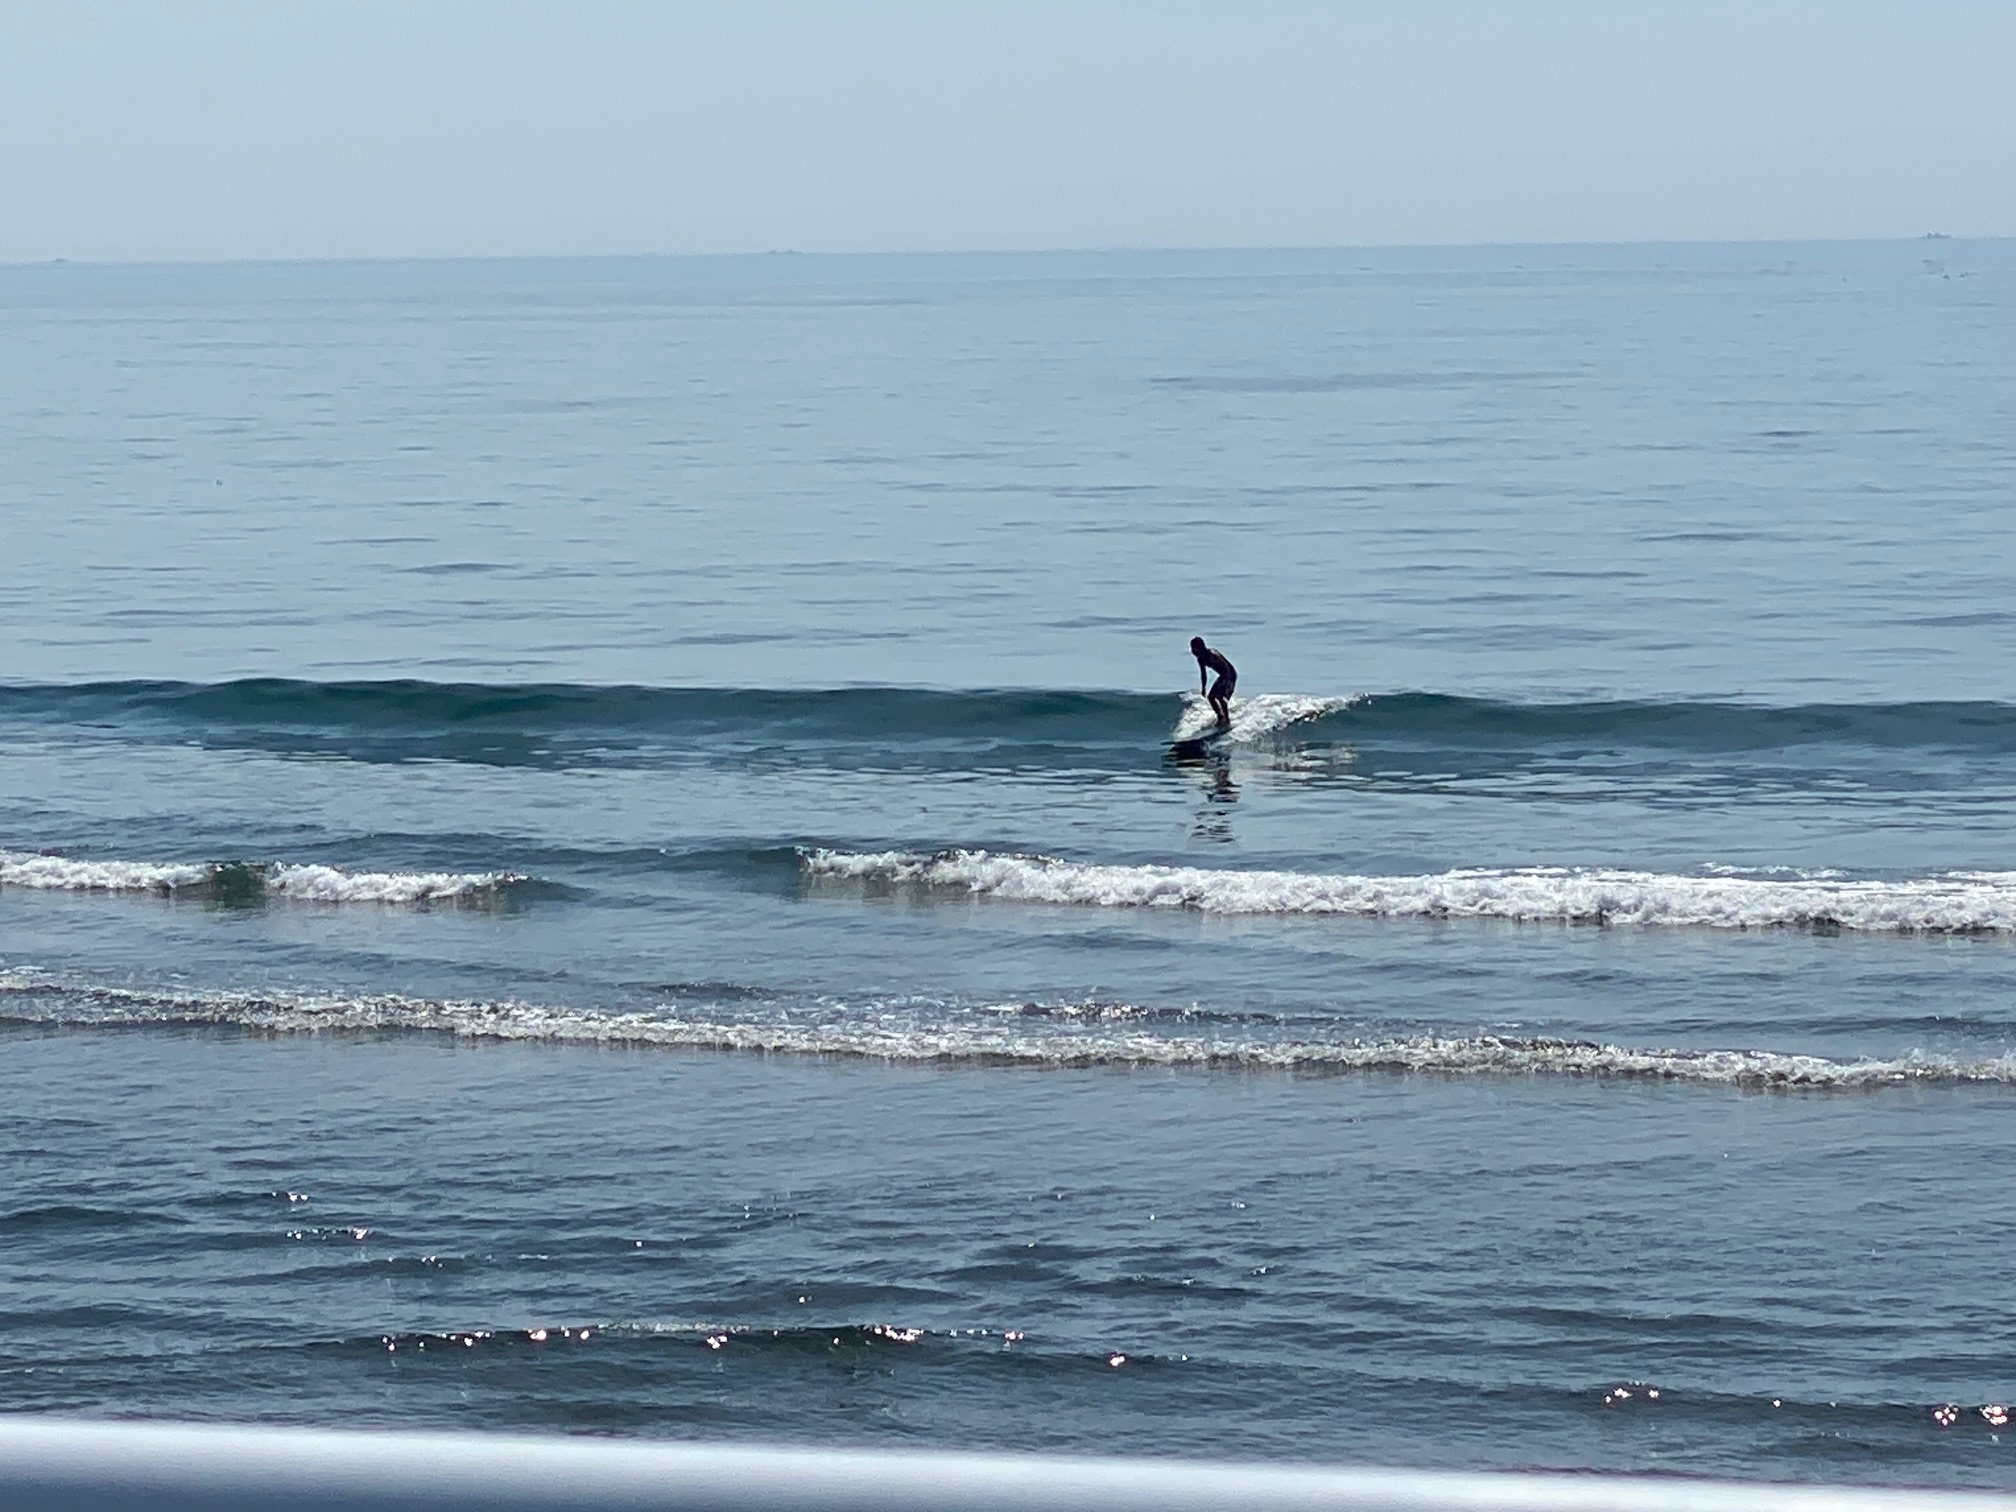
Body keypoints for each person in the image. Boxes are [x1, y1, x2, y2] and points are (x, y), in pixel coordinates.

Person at [1189, 636, 1237, 728]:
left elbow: (1227, 668)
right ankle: (1220, 716)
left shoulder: (1213, 654)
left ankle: (1226, 720)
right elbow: (1203, 674)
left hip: (1230, 674)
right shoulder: (1201, 659)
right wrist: (1203, 688)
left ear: (1198, 648)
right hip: (1223, 676)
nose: (1192, 651)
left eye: (1193, 648)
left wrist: (1227, 683)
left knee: (1220, 697)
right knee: (1211, 697)